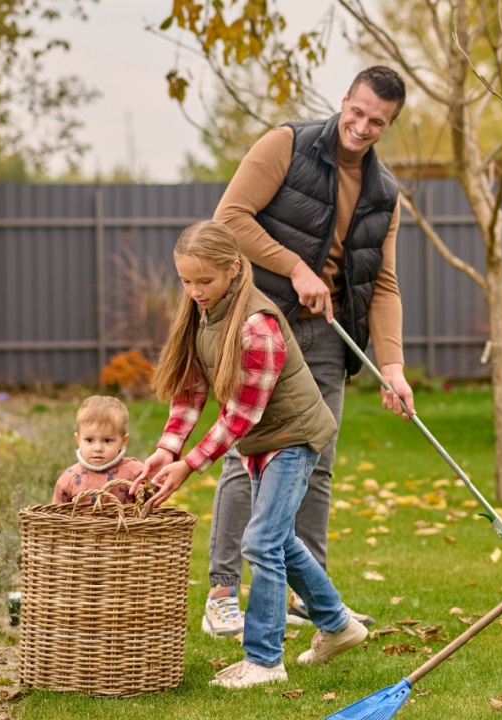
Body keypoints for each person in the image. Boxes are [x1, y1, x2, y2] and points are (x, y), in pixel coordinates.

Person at [201, 64, 416, 635]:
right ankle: (223, 591)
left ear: (388, 125)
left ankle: (310, 597)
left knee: (315, 464)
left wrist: (392, 367)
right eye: (358, 112)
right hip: (264, 325)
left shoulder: (385, 193)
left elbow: (384, 283)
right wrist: (296, 268)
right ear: (344, 100)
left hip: (327, 334)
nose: (363, 126)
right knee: (248, 453)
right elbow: (230, 220)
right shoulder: (287, 144)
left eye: (377, 121)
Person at [131, 220, 367, 688]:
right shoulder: (204, 315)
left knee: (260, 542)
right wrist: (166, 449)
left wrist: (189, 466)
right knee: (277, 540)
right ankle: (338, 625)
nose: (195, 291)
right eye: (186, 281)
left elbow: (239, 416)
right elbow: (190, 389)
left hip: (293, 437)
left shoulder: (256, 325)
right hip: (264, 440)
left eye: (206, 281)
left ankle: (263, 661)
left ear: (234, 270)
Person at [51, 396, 144, 505]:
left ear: (123, 442)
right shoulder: (69, 478)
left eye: (107, 441)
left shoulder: (134, 471)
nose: (98, 448)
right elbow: (56, 515)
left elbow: (152, 504)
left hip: (125, 522)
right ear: (78, 440)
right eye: (89, 440)